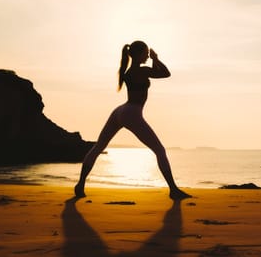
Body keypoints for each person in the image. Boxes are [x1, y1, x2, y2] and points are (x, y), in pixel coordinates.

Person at [74, 41, 191, 200]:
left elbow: (158, 73)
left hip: (120, 111)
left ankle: (80, 185)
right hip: (132, 112)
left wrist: (153, 61)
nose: (147, 55)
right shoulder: (142, 71)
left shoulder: (128, 71)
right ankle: (173, 190)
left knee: (98, 147)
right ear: (138, 54)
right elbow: (165, 73)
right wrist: (155, 59)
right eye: (145, 53)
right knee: (160, 150)